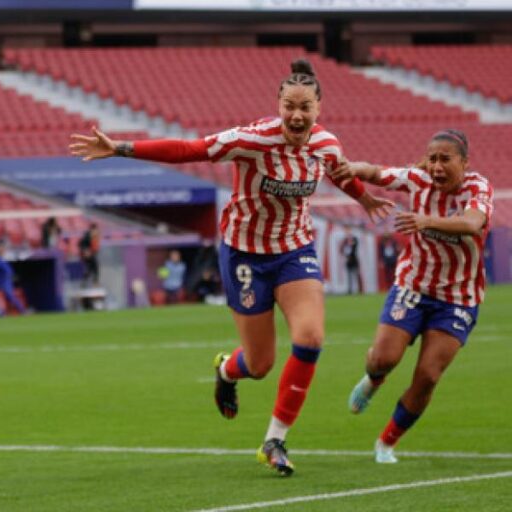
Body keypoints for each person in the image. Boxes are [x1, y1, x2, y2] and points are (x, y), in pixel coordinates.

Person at [70, 59, 393, 476]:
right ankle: (226, 370)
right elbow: (190, 150)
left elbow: (340, 171)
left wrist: (363, 198)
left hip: (295, 250)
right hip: (244, 255)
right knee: (259, 365)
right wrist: (120, 148)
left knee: (310, 339)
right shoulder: (250, 139)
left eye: (305, 107)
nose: (297, 114)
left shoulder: (326, 144)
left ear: (318, 109)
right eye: (289, 105)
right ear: (278, 104)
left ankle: (274, 440)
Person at [344, 130, 493, 464]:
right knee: (384, 358)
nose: (436, 167)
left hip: (458, 297)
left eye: (445, 159)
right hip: (414, 286)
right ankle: (373, 379)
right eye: (432, 158)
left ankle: (386, 443)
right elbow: (373, 171)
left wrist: (426, 221)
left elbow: (472, 224)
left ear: (464, 163)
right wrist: (345, 166)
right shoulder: (416, 178)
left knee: (427, 376)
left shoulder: (477, 188)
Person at [0, 242, 26, 315]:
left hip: (5, 280)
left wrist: (7, 280)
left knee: (9, 295)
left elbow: (9, 271)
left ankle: (22, 310)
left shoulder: (0, 261)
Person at [340, 228, 363, 294]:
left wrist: (350, 243)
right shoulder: (345, 241)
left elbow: (355, 246)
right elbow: (341, 249)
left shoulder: (354, 239)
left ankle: (360, 289)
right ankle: (350, 290)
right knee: (349, 276)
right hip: (348, 261)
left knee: (356, 275)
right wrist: (345, 254)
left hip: (354, 260)